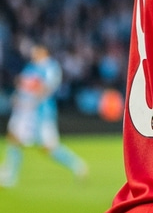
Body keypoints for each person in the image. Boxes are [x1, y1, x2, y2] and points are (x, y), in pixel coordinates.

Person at [0, 43, 88, 187]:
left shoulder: (51, 67)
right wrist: (17, 97)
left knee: (49, 147)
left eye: (37, 49)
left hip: (41, 113)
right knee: (14, 138)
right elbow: (22, 85)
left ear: (44, 51)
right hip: (25, 112)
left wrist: (31, 100)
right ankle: (10, 175)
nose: (33, 52)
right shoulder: (30, 67)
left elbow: (46, 88)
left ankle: (77, 165)